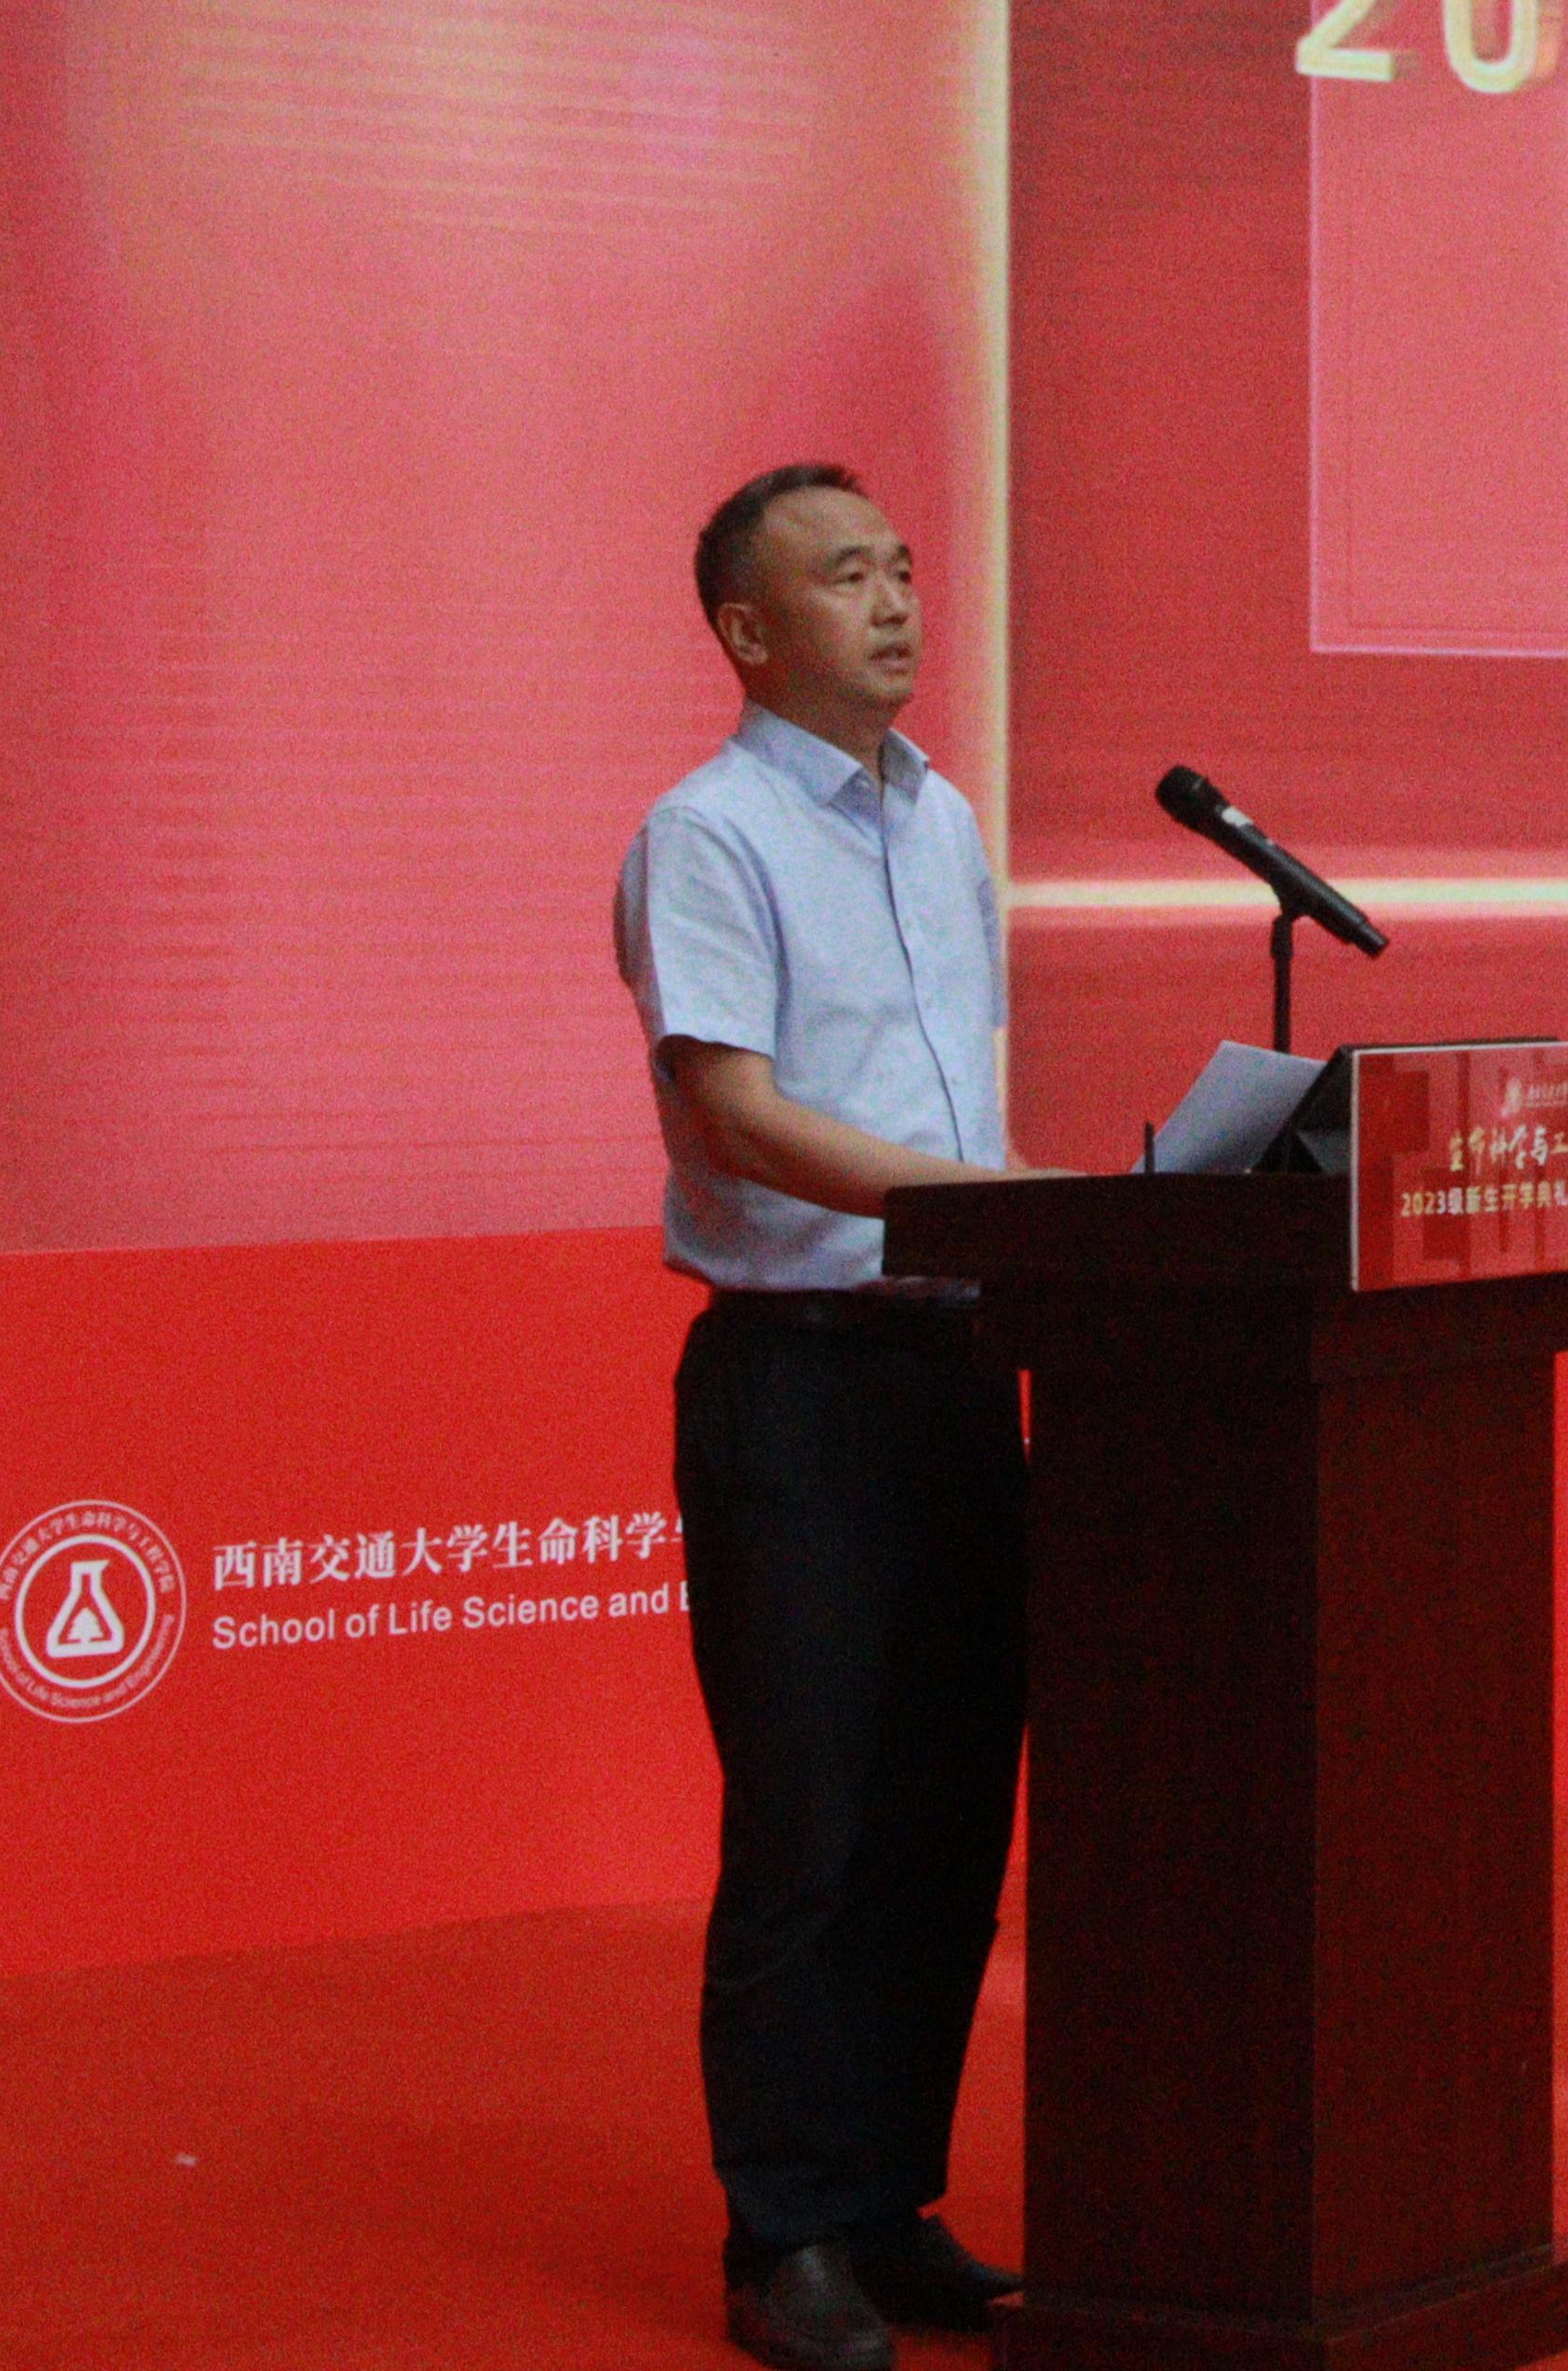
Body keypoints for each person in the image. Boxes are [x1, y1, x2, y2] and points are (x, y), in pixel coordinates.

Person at [616, 464, 1027, 2368]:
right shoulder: (704, 834)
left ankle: (886, 2202)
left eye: (904, 567)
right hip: (795, 1380)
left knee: (948, 1807)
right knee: (812, 1815)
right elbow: (739, 1114)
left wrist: (1012, 1229)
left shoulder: (945, 819)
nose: (895, 601)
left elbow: (946, 1088)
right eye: (846, 575)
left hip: (958, 1363)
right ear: (749, 630)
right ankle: (780, 2231)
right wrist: (985, 1207)